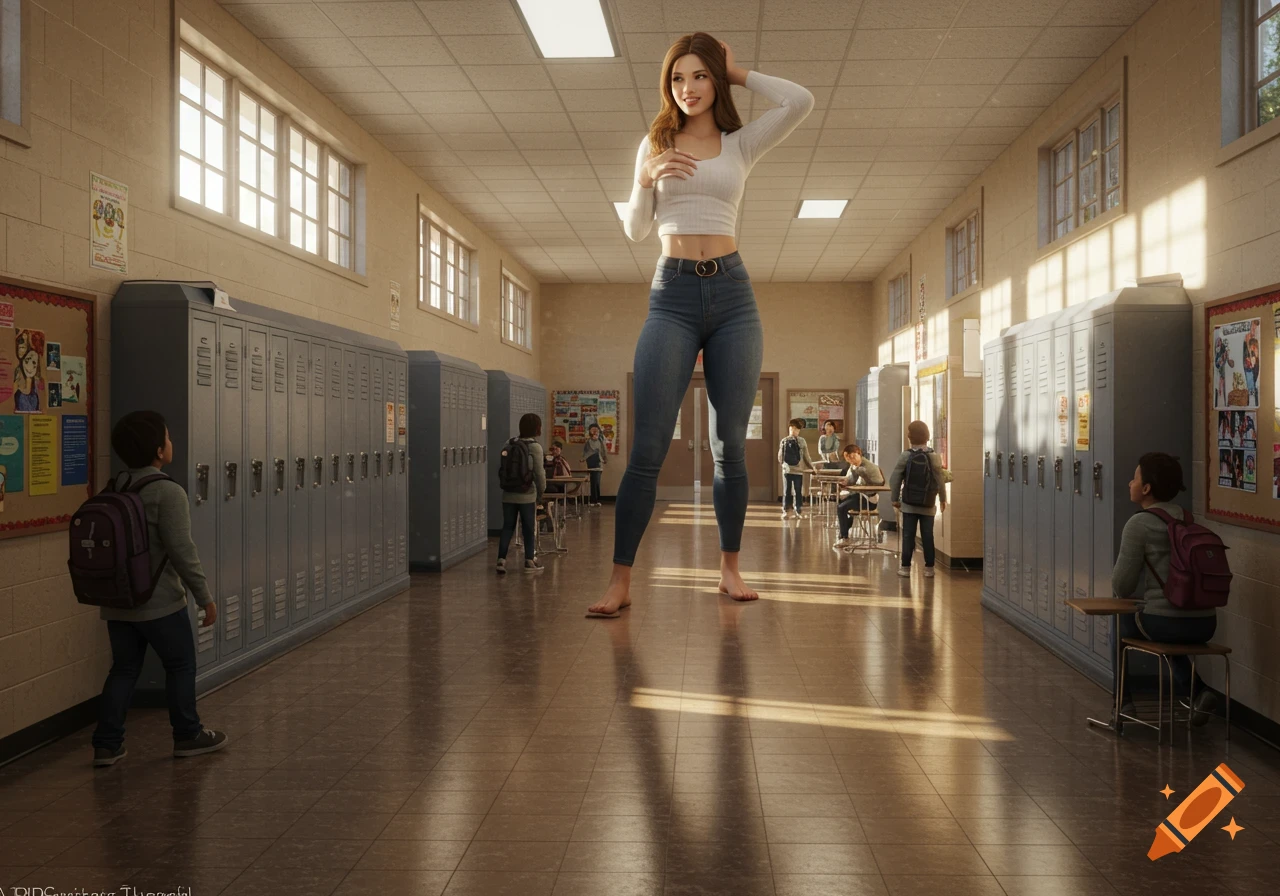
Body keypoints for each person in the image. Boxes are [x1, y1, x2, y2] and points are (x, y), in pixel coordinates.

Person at [587, 32, 813, 617]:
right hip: (673, 295)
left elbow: (800, 101)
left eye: (700, 75)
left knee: (729, 445)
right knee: (648, 447)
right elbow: (637, 230)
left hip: (734, 295)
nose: (687, 88)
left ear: (715, 79)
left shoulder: (740, 144)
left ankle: (730, 568)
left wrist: (739, 72)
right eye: (677, 78)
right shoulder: (654, 144)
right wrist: (643, 180)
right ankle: (620, 581)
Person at [92, 411, 227, 767]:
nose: (171, 442)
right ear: (158, 450)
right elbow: (182, 552)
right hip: (160, 603)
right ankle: (188, 734)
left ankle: (107, 744)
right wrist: (204, 597)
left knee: (123, 669)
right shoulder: (167, 492)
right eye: (167, 437)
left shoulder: (114, 486)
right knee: (180, 665)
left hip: (118, 602)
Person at [1112, 453, 1218, 722]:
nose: (1130, 483)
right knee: (1161, 625)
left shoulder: (1138, 524)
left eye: (1135, 478)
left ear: (1146, 488)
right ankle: (1198, 691)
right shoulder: (1186, 518)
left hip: (1165, 623)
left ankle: (1122, 703)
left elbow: (1121, 586)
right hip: (1205, 623)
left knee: (1123, 622)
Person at [889, 420, 948, 578]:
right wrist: (943, 499)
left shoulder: (906, 455)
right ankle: (929, 568)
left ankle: (905, 568)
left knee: (908, 535)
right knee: (928, 535)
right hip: (928, 503)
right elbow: (940, 480)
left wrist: (894, 498)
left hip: (909, 504)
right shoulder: (934, 456)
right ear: (926, 436)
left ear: (910, 437)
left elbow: (895, 479)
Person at [497, 413, 546, 573]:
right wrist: (540, 494)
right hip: (527, 494)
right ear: (537, 428)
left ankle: (501, 560)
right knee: (528, 528)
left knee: (507, 527)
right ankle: (529, 561)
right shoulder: (535, 447)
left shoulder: (509, 443)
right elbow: (539, 474)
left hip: (508, 493)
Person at [833, 443, 884, 549]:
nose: (850, 460)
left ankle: (844, 537)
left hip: (869, 500)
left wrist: (865, 479)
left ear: (858, 454)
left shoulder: (870, 467)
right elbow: (852, 480)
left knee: (842, 508)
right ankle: (844, 532)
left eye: (852, 457)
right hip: (860, 495)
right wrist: (845, 483)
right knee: (840, 504)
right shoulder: (855, 466)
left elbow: (879, 484)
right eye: (848, 458)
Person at [778, 418, 815, 519]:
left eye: (795, 429)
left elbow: (806, 456)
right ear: (789, 429)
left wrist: (812, 467)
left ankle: (796, 510)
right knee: (789, 491)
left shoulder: (798, 441)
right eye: (792, 428)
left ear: (799, 430)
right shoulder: (785, 441)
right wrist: (812, 468)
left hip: (794, 471)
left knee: (796, 491)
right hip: (789, 470)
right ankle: (789, 510)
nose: (793, 431)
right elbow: (780, 456)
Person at [582, 423, 608, 506]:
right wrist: (583, 458)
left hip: (598, 463)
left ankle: (596, 500)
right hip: (591, 462)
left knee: (596, 481)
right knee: (593, 481)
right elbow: (585, 452)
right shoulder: (588, 442)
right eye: (592, 430)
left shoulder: (601, 441)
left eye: (596, 430)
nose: (594, 431)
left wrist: (605, 458)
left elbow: (604, 451)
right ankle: (594, 500)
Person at [13, 341, 42, 413]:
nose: (30, 366)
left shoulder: (37, 383)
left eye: (34, 362)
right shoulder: (18, 379)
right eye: (27, 361)